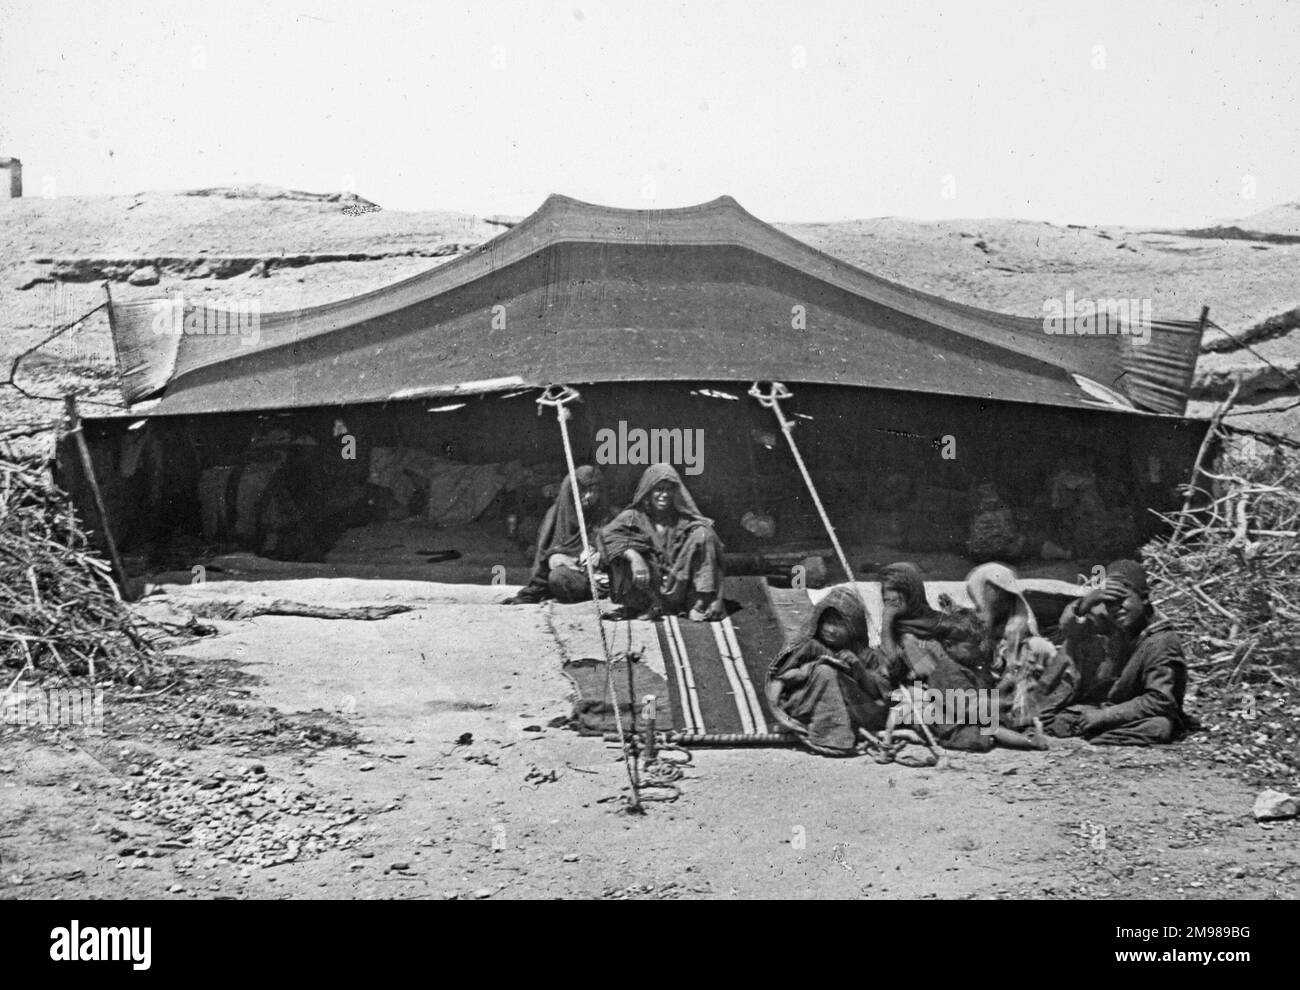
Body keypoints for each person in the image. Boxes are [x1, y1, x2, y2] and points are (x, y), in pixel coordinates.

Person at [878, 562, 1047, 752]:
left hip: (962, 685)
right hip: (943, 693)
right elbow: (900, 667)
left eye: (894, 590)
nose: (887, 596)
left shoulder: (938, 622)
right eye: (884, 590)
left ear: (911, 591)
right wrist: (887, 624)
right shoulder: (898, 631)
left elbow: (969, 644)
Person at [1047, 559, 1189, 746]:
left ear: (1145, 598)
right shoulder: (1118, 625)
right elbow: (1069, 629)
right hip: (1109, 707)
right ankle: (1080, 730)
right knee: (1073, 645)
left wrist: (1104, 716)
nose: (1116, 608)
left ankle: (1088, 738)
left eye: (1122, 600)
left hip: (1139, 714)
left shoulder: (1162, 641)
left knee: (1159, 726)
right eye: (1109, 603)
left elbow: (1160, 700)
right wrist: (1085, 603)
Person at [765, 585, 893, 756]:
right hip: (806, 704)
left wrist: (859, 669)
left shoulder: (865, 655)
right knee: (825, 671)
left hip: (855, 710)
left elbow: (881, 693)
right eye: (828, 622)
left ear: (854, 627)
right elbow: (781, 679)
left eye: (840, 624)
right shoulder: (810, 647)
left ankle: (838, 729)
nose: (831, 629)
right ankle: (831, 738)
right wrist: (808, 670)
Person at [599, 463, 725, 621]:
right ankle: (649, 604)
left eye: (669, 489)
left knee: (704, 534)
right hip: (647, 585)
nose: (664, 495)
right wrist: (634, 557)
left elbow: (708, 546)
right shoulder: (634, 516)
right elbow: (605, 537)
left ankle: (699, 604)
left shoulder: (682, 519)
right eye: (659, 489)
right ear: (649, 492)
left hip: (677, 585)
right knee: (619, 550)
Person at [966, 562, 1076, 735]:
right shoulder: (974, 625)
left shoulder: (1021, 629)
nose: (995, 595)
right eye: (990, 589)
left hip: (1022, 692)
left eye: (998, 590)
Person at [503, 465, 613, 605]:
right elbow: (543, 558)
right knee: (558, 577)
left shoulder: (604, 515)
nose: (589, 496)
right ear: (571, 491)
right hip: (571, 575)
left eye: (594, 491)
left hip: (597, 576)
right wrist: (555, 557)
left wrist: (592, 557)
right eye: (583, 491)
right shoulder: (556, 515)